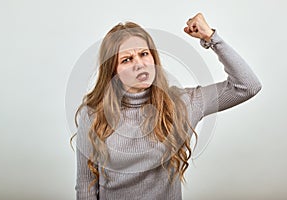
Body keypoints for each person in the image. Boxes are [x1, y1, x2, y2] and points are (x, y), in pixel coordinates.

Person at [73, 13, 262, 200]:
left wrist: (211, 38)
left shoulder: (182, 103)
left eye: (143, 54)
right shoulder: (93, 113)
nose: (139, 64)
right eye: (127, 59)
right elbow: (85, 185)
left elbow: (247, 86)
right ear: (112, 70)